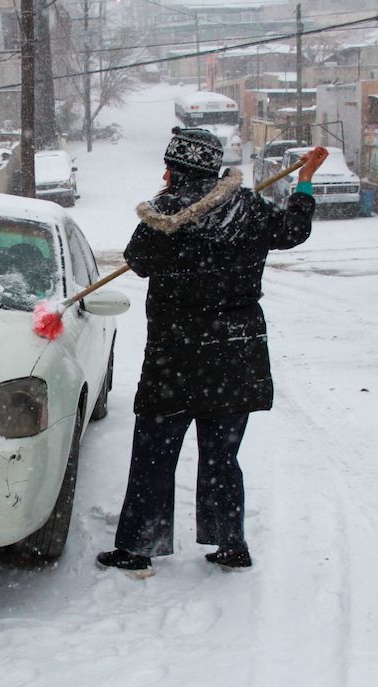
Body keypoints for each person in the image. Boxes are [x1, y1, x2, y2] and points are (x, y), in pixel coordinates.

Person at [96, 127, 327, 577]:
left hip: (175, 355)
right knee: (222, 454)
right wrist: (305, 182)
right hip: (233, 353)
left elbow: (138, 261)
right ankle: (231, 543)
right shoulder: (248, 206)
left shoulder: (163, 214)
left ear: (176, 168)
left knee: (155, 453)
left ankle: (138, 547)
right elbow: (294, 230)